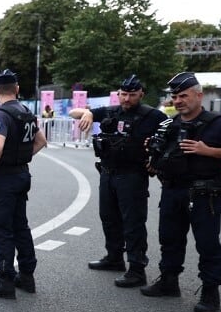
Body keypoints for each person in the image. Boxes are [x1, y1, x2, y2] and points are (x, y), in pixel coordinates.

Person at [140, 72, 221, 312]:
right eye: (175, 97)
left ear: (199, 95)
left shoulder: (218, 123)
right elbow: (167, 156)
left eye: (183, 95)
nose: (179, 101)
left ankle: (210, 291)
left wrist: (208, 150)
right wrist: (155, 156)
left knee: (207, 244)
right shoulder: (171, 124)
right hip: (172, 189)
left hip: (204, 194)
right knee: (169, 238)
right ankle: (169, 281)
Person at [69, 75, 167, 287]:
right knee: (109, 217)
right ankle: (114, 257)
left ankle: (137, 268)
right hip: (108, 173)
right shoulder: (112, 111)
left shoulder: (152, 115)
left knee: (133, 223)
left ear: (141, 93)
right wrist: (87, 112)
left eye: (132, 95)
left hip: (132, 175)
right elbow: (72, 112)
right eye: (123, 94)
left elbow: (171, 135)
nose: (127, 99)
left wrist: (157, 162)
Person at [0, 69, 48, 299]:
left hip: (5, 178)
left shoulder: (2, 115)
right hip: (22, 174)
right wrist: (22, 158)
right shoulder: (26, 112)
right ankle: (26, 276)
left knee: (0, 227)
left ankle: (5, 279)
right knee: (20, 226)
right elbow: (41, 140)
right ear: (17, 89)